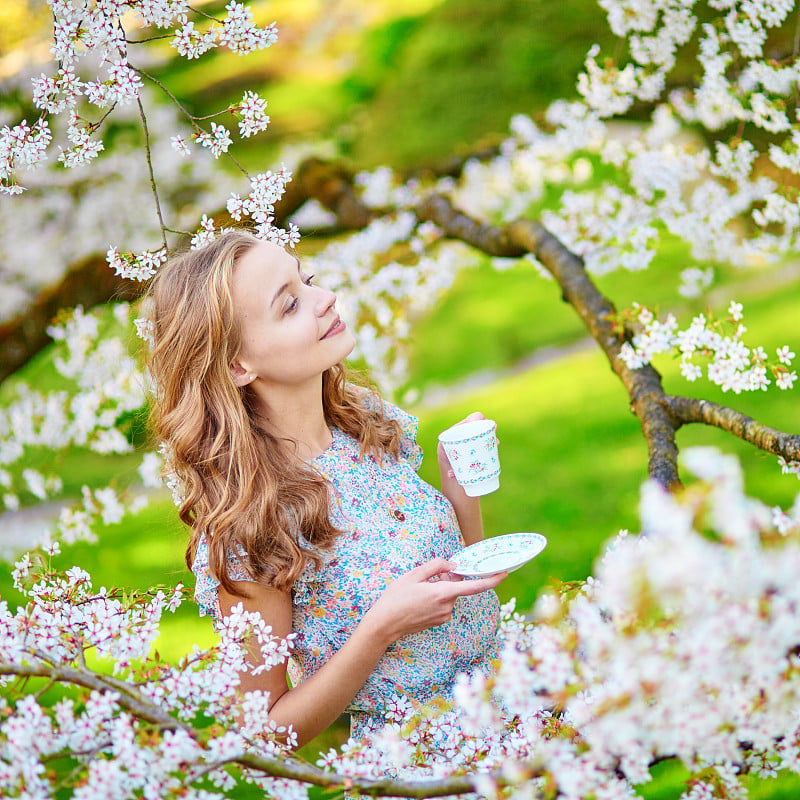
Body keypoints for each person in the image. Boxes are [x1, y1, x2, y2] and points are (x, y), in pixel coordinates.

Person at [147, 229, 507, 748]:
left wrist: (459, 494)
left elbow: (460, 583)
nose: (325, 298)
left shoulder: (367, 424)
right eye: (290, 304)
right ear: (236, 365)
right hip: (425, 761)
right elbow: (263, 735)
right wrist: (379, 630)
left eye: (307, 279)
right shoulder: (252, 526)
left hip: (514, 704)